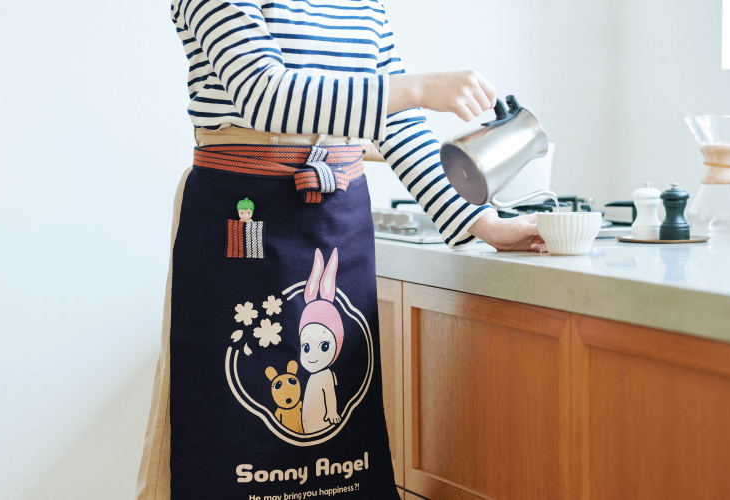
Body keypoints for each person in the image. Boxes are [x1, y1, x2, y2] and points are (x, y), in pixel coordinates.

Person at [136, 1, 547, 498]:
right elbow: (264, 95)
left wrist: (480, 222)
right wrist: (419, 88)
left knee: (342, 443)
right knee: (226, 428)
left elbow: (395, 126)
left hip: (338, 215)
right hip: (244, 209)